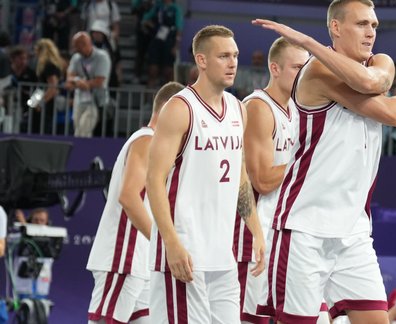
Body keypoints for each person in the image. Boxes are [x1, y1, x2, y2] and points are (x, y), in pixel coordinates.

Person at [252, 0, 396, 321]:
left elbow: (377, 82)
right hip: (303, 228)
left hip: (353, 231)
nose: (371, 32)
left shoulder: (380, 61)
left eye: (374, 25)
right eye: (361, 24)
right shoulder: (316, 70)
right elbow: (393, 111)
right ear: (336, 28)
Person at [146, 25, 266, 323]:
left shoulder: (239, 109)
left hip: (221, 255)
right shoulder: (180, 108)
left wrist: (258, 231)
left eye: (235, 55)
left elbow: (239, 177)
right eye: (223, 56)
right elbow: (153, 181)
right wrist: (171, 242)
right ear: (201, 60)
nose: (233, 62)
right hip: (185, 251)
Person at [86, 81, 184, 324]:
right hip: (124, 256)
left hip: (138, 261)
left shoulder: (155, 144)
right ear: (169, 110)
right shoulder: (147, 140)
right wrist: (163, 243)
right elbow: (129, 197)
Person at [234, 37, 310, 324]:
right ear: (274, 68)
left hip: (282, 227)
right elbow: (263, 180)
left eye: (305, 68)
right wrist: (308, 163)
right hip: (251, 233)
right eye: (295, 68)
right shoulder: (258, 107)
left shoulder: (298, 108)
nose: (302, 74)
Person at [65, 32, 111, 138]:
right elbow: (69, 78)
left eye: (76, 46)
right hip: (79, 100)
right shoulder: (76, 58)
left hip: (95, 101)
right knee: (77, 130)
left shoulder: (102, 57)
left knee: (84, 129)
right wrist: (78, 81)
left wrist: (81, 83)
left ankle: (82, 153)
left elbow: (100, 81)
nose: (75, 48)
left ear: (85, 44)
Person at [28, 39, 66, 135]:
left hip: (46, 103)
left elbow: (52, 87)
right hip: (41, 98)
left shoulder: (49, 65)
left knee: (41, 129)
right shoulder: (49, 64)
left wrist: (40, 103)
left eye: (37, 49)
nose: (35, 52)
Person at [142, 0, 183, 87]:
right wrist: (153, 27)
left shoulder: (175, 9)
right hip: (156, 41)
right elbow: (145, 19)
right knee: (152, 71)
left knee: (168, 72)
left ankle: (168, 98)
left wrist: (176, 46)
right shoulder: (157, 6)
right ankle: (148, 99)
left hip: (169, 42)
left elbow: (179, 28)